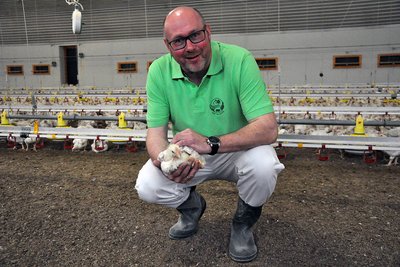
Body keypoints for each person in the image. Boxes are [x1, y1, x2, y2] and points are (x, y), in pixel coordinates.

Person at [135, 6, 285, 263]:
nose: (190, 47)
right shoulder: (158, 71)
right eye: (179, 41)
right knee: (148, 183)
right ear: (168, 45)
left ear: (208, 32)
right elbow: (155, 134)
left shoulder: (238, 59)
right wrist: (165, 162)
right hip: (191, 155)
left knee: (264, 165)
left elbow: (268, 127)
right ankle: (192, 207)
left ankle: (242, 224)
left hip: (236, 151)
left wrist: (210, 143)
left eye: (196, 36)